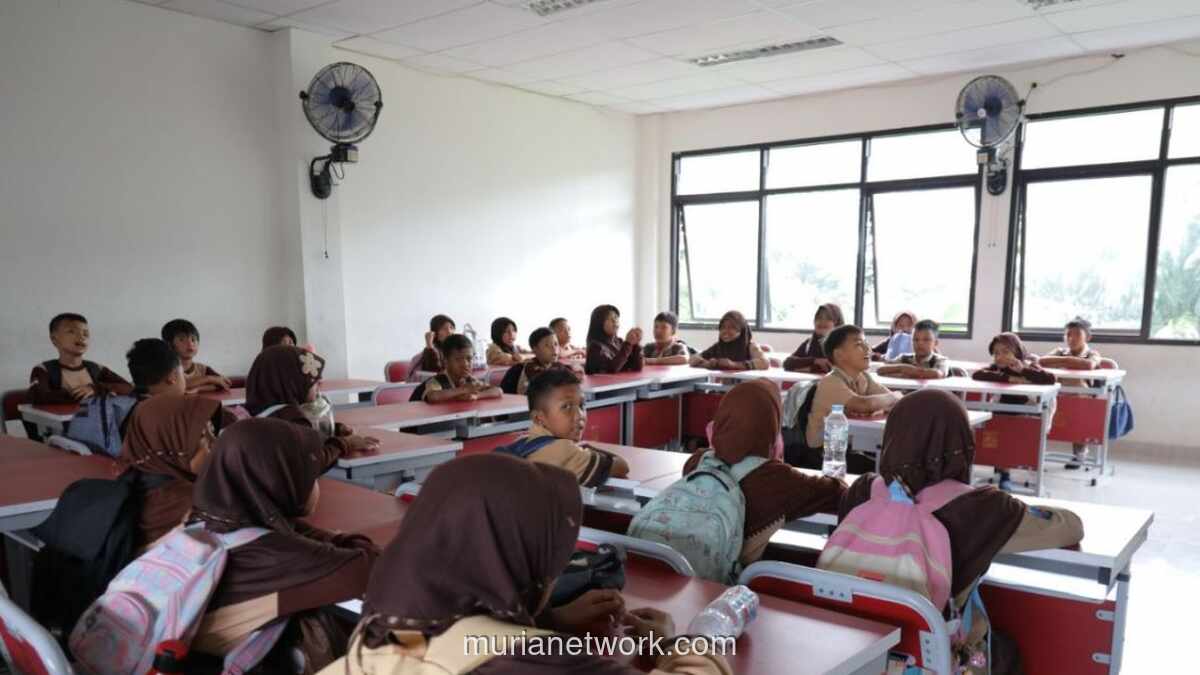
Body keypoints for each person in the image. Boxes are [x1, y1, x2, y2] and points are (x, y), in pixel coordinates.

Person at [319, 454, 732, 675]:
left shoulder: (380, 626)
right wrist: (675, 644)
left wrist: (546, 622)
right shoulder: (547, 665)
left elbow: (462, 646)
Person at [838, 390, 1083, 672]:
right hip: (932, 659)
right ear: (962, 440)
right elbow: (1070, 527)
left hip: (857, 654)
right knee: (1008, 652)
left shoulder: (861, 491)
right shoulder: (982, 507)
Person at [190, 419, 379, 673]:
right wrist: (341, 539)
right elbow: (370, 568)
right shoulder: (275, 555)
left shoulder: (200, 524)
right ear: (281, 482)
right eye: (310, 474)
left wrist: (299, 530)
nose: (315, 483)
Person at [684, 379, 845, 566]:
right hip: (728, 586)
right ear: (771, 423)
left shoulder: (698, 461)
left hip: (680, 570)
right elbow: (838, 494)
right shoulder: (777, 479)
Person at [117, 392, 225, 550]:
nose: (214, 443)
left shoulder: (135, 475)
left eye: (212, 431)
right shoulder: (189, 502)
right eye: (202, 437)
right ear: (169, 441)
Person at [496, 369, 628, 486]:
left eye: (582, 406)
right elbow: (622, 466)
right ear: (538, 418)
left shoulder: (523, 442)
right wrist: (587, 447)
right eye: (566, 407)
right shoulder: (564, 451)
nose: (579, 415)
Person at [245, 345, 379, 458]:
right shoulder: (289, 419)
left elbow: (308, 436)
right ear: (292, 382)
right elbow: (314, 459)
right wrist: (346, 444)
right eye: (313, 381)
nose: (319, 383)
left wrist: (333, 429)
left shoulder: (261, 413)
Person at [973, 333, 1057, 487]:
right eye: (996, 353)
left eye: (1005, 352)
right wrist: (1010, 379)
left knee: (1012, 436)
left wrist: (1022, 371)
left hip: (1027, 412)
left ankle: (1006, 472)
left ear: (1017, 352)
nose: (1000, 357)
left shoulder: (1028, 365)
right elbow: (977, 374)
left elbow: (1050, 379)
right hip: (1002, 411)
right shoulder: (996, 368)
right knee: (995, 430)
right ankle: (1003, 471)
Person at [804, 325, 902, 451]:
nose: (868, 349)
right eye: (859, 345)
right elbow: (866, 404)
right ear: (839, 355)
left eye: (866, 343)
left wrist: (891, 399)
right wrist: (895, 395)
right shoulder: (830, 382)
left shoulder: (863, 377)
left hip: (849, 445)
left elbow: (897, 403)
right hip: (824, 452)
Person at [1038, 317, 1103, 469]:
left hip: (1081, 400)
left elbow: (1089, 365)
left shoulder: (1093, 353)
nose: (1071, 339)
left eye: (1077, 335)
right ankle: (1035, 451)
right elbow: (1041, 361)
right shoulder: (1060, 351)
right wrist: (1069, 359)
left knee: (1079, 412)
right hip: (1057, 396)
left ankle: (1080, 453)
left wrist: (1063, 361)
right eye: (1068, 335)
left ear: (1087, 337)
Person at [28, 312, 133, 404]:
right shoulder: (43, 370)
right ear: (54, 339)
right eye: (72, 331)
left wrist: (96, 389)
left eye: (86, 334)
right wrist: (83, 395)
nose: (81, 337)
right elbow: (38, 396)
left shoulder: (96, 368)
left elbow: (128, 388)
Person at [413, 334, 502, 403]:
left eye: (469, 359)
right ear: (445, 361)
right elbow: (433, 396)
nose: (465, 364)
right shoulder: (437, 380)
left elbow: (498, 391)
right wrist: (464, 390)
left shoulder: (470, 380)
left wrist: (477, 395)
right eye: (458, 359)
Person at [161, 319, 231, 393]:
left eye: (193, 339)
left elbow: (225, 384)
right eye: (182, 339)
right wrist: (208, 379)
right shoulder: (165, 370)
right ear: (169, 345)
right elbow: (176, 386)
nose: (190, 344)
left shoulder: (203, 369)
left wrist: (199, 389)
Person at [691, 310, 768, 371]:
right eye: (723, 327)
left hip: (747, 388)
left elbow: (764, 363)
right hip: (723, 389)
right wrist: (708, 364)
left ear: (741, 330)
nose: (725, 331)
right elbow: (693, 359)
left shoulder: (750, 346)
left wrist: (734, 365)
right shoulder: (718, 347)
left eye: (732, 327)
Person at [515, 327, 583, 395]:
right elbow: (547, 384)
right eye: (547, 345)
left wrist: (576, 372)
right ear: (535, 349)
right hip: (530, 403)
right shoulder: (531, 366)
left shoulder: (557, 365)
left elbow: (573, 377)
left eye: (556, 344)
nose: (554, 348)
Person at [877, 319, 950, 380]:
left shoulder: (941, 360)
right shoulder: (903, 358)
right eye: (915, 339)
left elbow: (937, 374)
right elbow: (881, 369)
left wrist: (908, 371)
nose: (920, 343)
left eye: (926, 340)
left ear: (936, 343)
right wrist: (903, 368)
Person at [783, 303, 845, 373]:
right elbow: (787, 363)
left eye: (828, 318)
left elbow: (830, 369)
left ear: (837, 324)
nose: (822, 321)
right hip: (808, 383)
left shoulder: (842, 345)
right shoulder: (809, 343)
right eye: (819, 317)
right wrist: (814, 360)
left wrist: (804, 368)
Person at [584, 304, 644, 374]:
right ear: (599, 322)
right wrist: (628, 343)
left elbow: (636, 367)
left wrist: (636, 344)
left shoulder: (619, 342)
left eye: (616, 317)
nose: (615, 321)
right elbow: (611, 369)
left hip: (622, 383)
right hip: (604, 385)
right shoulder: (595, 347)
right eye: (609, 318)